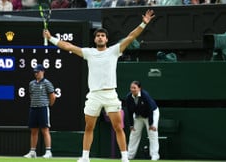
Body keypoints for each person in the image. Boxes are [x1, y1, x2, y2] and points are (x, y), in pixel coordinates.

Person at [43, 9, 155, 162]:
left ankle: (124, 158)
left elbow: (131, 36)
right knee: (89, 127)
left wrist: (143, 23)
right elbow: (68, 46)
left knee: (118, 127)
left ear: (106, 39)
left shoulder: (115, 51)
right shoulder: (88, 52)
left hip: (110, 95)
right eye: (98, 36)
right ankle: (85, 157)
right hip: (94, 95)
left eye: (103, 36)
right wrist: (51, 39)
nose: (100, 37)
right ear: (95, 39)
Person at [23, 64, 56, 159]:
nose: (36, 73)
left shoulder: (47, 83)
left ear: (42, 72)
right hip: (33, 108)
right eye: (35, 72)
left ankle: (48, 152)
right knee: (33, 130)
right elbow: (31, 95)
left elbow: (53, 96)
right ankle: (32, 152)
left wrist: (48, 104)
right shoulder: (31, 83)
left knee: (45, 130)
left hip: (43, 108)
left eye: (38, 72)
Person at [125, 81, 160, 161]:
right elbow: (130, 112)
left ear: (139, 88)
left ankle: (155, 155)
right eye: (131, 88)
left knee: (152, 133)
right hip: (138, 116)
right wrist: (131, 125)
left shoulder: (145, 96)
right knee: (134, 134)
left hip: (151, 114)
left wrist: (151, 124)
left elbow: (150, 110)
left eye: (134, 88)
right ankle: (129, 155)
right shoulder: (128, 98)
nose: (132, 89)